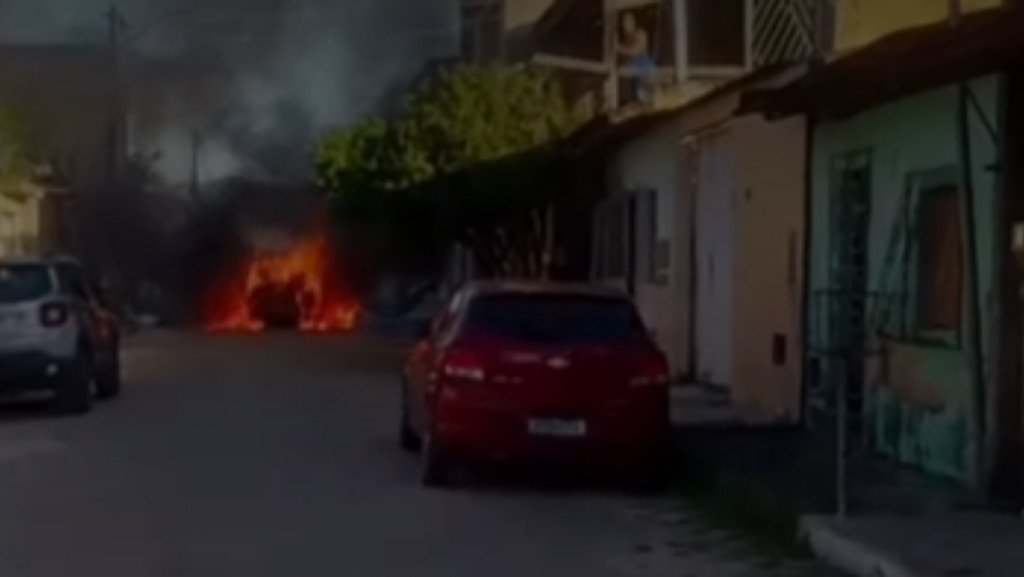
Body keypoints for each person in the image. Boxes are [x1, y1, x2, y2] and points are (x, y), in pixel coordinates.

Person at [617, 12, 656, 104]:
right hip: (631, 69)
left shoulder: (640, 34)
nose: (624, 24)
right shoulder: (624, 38)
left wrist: (618, 48)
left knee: (643, 95)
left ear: (633, 22)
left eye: (627, 21)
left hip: (644, 67)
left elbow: (635, 51)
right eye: (623, 22)